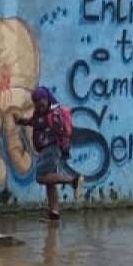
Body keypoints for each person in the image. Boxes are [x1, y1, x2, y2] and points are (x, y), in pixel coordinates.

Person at [16, 86, 81, 220]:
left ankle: (73, 180)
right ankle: (54, 212)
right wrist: (22, 121)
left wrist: (63, 147)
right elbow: (35, 121)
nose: (40, 107)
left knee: (41, 177)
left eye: (41, 104)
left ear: (46, 99)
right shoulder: (41, 112)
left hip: (51, 149)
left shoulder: (54, 112)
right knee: (49, 181)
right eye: (37, 104)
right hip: (47, 149)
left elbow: (55, 128)